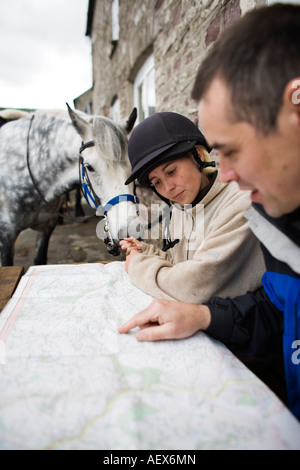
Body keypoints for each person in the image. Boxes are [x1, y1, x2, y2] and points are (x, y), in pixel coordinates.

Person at [119, 3, 300, 421]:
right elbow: (274, 312)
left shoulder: (253, 206)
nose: (230, 174)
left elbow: (195, 281)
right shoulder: (275, 219)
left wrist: (137, 265)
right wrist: (201, 316)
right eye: (156, 184)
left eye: (232, 150)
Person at [120, 111, 265, 304]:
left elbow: (196, 286)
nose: (168, 188)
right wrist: (147, 252)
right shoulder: (181, 207)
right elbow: (182, 266)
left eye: (171, 171)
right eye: (156, 182)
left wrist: (137, 265)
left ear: (197, 155)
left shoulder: (242, 202)